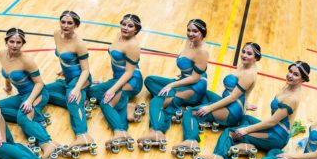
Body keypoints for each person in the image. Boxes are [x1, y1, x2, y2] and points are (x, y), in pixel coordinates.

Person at [201, 61, 310, 159]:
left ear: (303, 80)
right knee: (245, 119)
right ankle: (247, 146)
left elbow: (272, 122)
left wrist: (246, 130)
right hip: (274, 128)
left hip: (276, 136)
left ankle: (218, 157)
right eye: (290, 71)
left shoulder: (292, 98)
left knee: (231, 132)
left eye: (295, 74)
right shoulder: (289, 86)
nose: (290, 75)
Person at [172, 43, 260, 152]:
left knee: (190, 113)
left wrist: (209, 108)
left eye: (249, 54)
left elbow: (232, 97)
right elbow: (246, 91)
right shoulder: (245, 65)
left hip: (232, 111)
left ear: (256, 58)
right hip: (232, 103)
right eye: (243, 52)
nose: (244, 55)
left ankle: (191, 141)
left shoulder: (249, 74)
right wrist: (245, 103)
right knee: (203, 93)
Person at [138, 19, 209, 147]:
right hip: (183, 81)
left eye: (195, 31)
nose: (190, 34)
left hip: (195, 87)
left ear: (202, 33)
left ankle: (157, 131)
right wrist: (183, 75)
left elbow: (195, 78)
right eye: (189, 30)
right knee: (149, 80)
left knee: (157, 100)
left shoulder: (203, 52)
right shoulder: (190, 41)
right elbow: (189, 64)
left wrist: (171, 85)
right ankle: (178, 103)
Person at [0, 28, 60, 159]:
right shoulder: (2, 54)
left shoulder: (26, 61)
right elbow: (6, 71)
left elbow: (39, 83)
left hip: (37, 93)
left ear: (23, 44)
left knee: (23, 118)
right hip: (22, 95)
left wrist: (29, 101)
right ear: (6, 41)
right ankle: (34, 118)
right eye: (11, 41)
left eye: (18, 42)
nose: (15, 45)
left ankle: (48, 143)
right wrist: (8, 86)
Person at [88, 14, 143, 148]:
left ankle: (121, 132)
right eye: (123, 24)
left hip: (131, 81)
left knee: (106, 102)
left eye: (130, 26)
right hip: (117, 79)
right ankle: (128, 106)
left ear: (136, 30)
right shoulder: (119, 36)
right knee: (92, 92)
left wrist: (112, 89)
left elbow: (129, 73)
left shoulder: (133, 45)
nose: (125, 28)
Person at [45, 11, 95, 147]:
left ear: (76, 25)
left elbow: (85, 70)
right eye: (63, 22)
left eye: (70, 23)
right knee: (42, 91)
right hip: (68, 78)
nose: (65, 25)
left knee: (72, 99)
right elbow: (63, 54)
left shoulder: (79, 44)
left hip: (81, 78)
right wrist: (66, 67)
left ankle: (83, 136)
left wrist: (77, 89)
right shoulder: (57, 34)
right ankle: (82, 102)